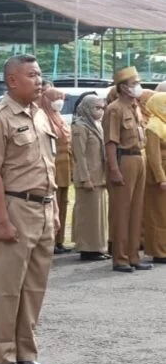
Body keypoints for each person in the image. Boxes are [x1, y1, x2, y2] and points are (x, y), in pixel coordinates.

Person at [0, 54, 59, 364]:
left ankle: (27, 353)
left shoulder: (39, 114)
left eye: (39, 74)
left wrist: (53, 211)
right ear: (12, 81)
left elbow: (47, 167)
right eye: (32, 75)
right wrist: (1, 221)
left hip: (42, 207)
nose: (39, 80)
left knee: (34, 287)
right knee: (8, 288)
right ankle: (4, 357)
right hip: (14, 207)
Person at [104, 67, 152, 273]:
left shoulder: (136, 107)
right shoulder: (114, 109)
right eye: (134, 84)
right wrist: (113, 169)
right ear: (123, 87)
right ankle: (121, 258)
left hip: (139, 157)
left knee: (137, 210)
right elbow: (110, 142)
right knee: (122, 211)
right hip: (124, 160)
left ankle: (134, 255)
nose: (138, 87)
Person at [71, 94, 109, 261]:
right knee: (88, 215)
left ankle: (98, 247)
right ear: (86, 108)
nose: (100, 111)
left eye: (101, 108)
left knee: (98, 215)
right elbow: (80, 155)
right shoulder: (80, 127)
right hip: (88, 178)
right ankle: (87, 249)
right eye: (96, 108)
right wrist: (85, 178)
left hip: (99, 176)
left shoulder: (97, 125)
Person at [39, 88, 73, 255]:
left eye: (61, 98)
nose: (59, 101)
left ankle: (59, 240)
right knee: (52, 204)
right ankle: (49, 241)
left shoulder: (59, 118)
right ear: (46, 99)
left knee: (63, 202)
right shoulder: (43, 117)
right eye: (55, 98)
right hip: (52, 165)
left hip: (65, 165)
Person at [144, 92, 166, 263]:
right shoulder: (154, 125)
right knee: (157, 214)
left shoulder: (163, 123)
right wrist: (161, 178)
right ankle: (159, 251)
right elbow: (153, 155)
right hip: (159, 177)